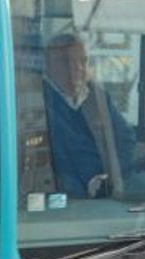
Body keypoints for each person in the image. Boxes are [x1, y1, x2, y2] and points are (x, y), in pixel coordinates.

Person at [43, 32, 135, 198]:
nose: (76, 68)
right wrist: (90, 180)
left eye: (82, 61)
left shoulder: (97, 96)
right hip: (67, 198)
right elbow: (58, 154)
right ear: (48, 66)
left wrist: (110, 176)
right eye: (65, 62)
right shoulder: (42, 101)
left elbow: (125, 139)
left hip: (107, 187)